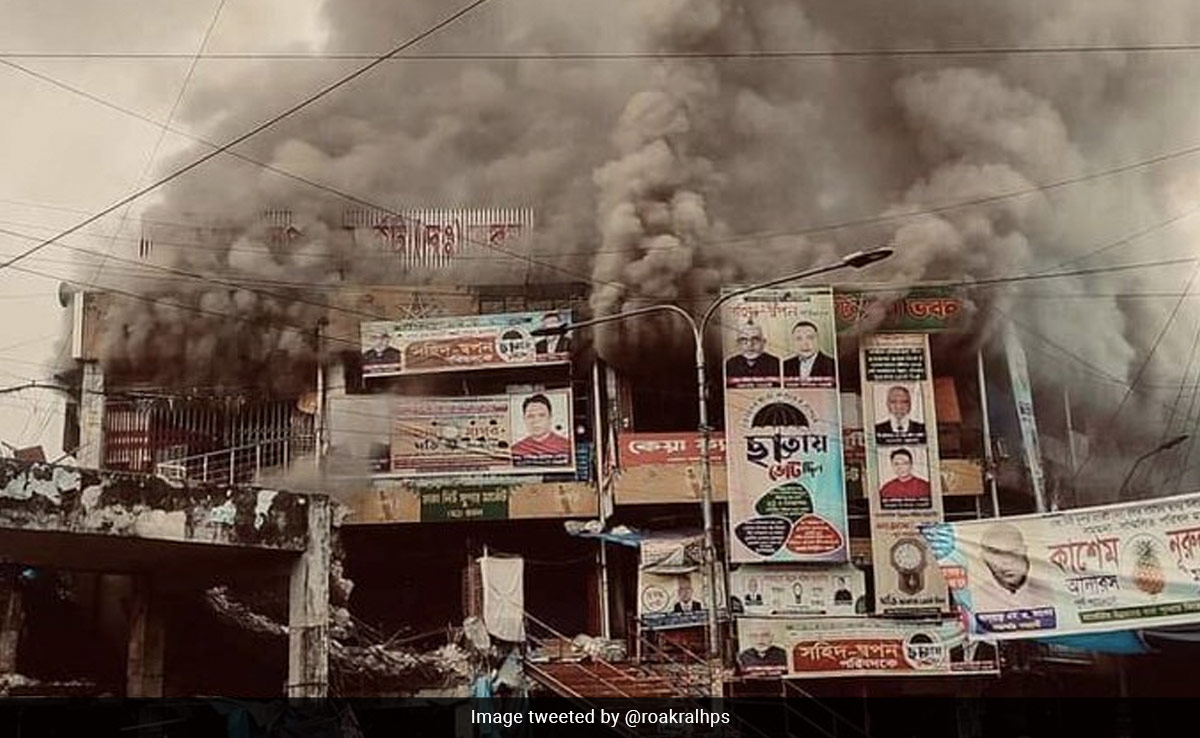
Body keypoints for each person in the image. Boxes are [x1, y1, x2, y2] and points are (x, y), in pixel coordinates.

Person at [511, 394, 571, 463]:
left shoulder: (567, 446)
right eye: (530, 416)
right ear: (524, 419)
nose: (536, 421)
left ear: (550, 417)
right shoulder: (515, 450)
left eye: (541, 415)